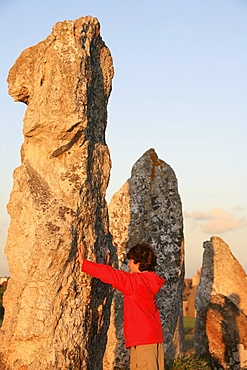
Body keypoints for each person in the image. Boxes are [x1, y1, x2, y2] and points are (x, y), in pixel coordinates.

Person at [78, 242, 165, 370]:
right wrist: (104, 267)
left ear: (139, 264)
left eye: (131, 261)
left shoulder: (136, 282)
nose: (129, 264)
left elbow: (113, 276)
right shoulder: (148, 280)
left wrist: (84, 263)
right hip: (151, 338)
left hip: (143, 340)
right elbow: (115, 277)